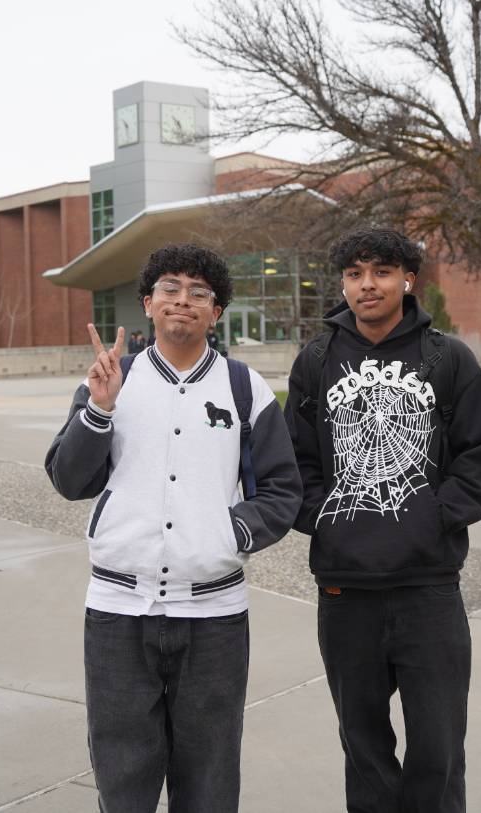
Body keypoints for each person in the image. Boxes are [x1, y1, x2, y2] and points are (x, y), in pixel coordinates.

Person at [45, 243, 301, 813]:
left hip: (213, 618)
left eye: (199, 293)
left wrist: (228, 535)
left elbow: (283, 491)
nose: (183, 300)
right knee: (122, 775)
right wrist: (99, 410)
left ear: (216, 312)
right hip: (117, 613)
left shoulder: (244, 388)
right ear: (148, 304)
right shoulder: (111, 379)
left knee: (209, 777)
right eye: (170, 288)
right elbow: (69, 479)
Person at [285, 227, 481, 813]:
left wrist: (434, 517)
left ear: (408, 279)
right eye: (355, 273)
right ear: (342, 284)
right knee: (363, 744)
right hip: (344, 588)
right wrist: (327, 521)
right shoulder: (316, 361)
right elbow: (295, 461)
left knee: (438, 746)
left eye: (381, 271)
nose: (367, 284)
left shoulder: (446, 358)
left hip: (428, 587)